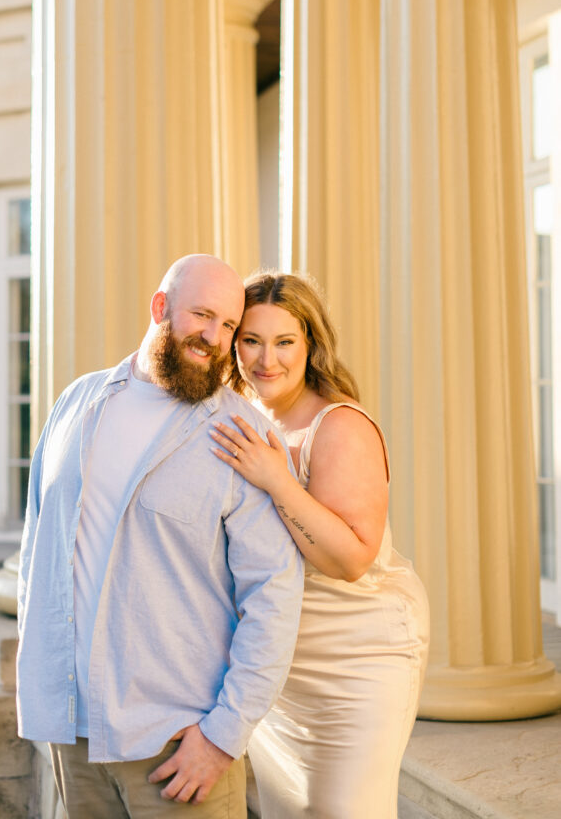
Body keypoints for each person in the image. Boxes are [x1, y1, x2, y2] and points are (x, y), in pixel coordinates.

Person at [16, 254, 303, 819]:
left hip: (179, 743)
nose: (214, 338)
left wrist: (223, 736)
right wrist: (44, 683)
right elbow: (37, 553)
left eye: (228, 326)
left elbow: (274, 592)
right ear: (159, 308)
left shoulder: (242, 433)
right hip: (72, 732)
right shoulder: (76, 403)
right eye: (202, 316)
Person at [211, 271, 429, 819]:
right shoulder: (246, 420)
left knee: (344, 811)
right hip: (281, 660)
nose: (267, 360)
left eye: (285, 341)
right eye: (251, 341)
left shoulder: (340, 426)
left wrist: (278, 480)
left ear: (311, 345)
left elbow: (353, 559)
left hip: (360, 656)